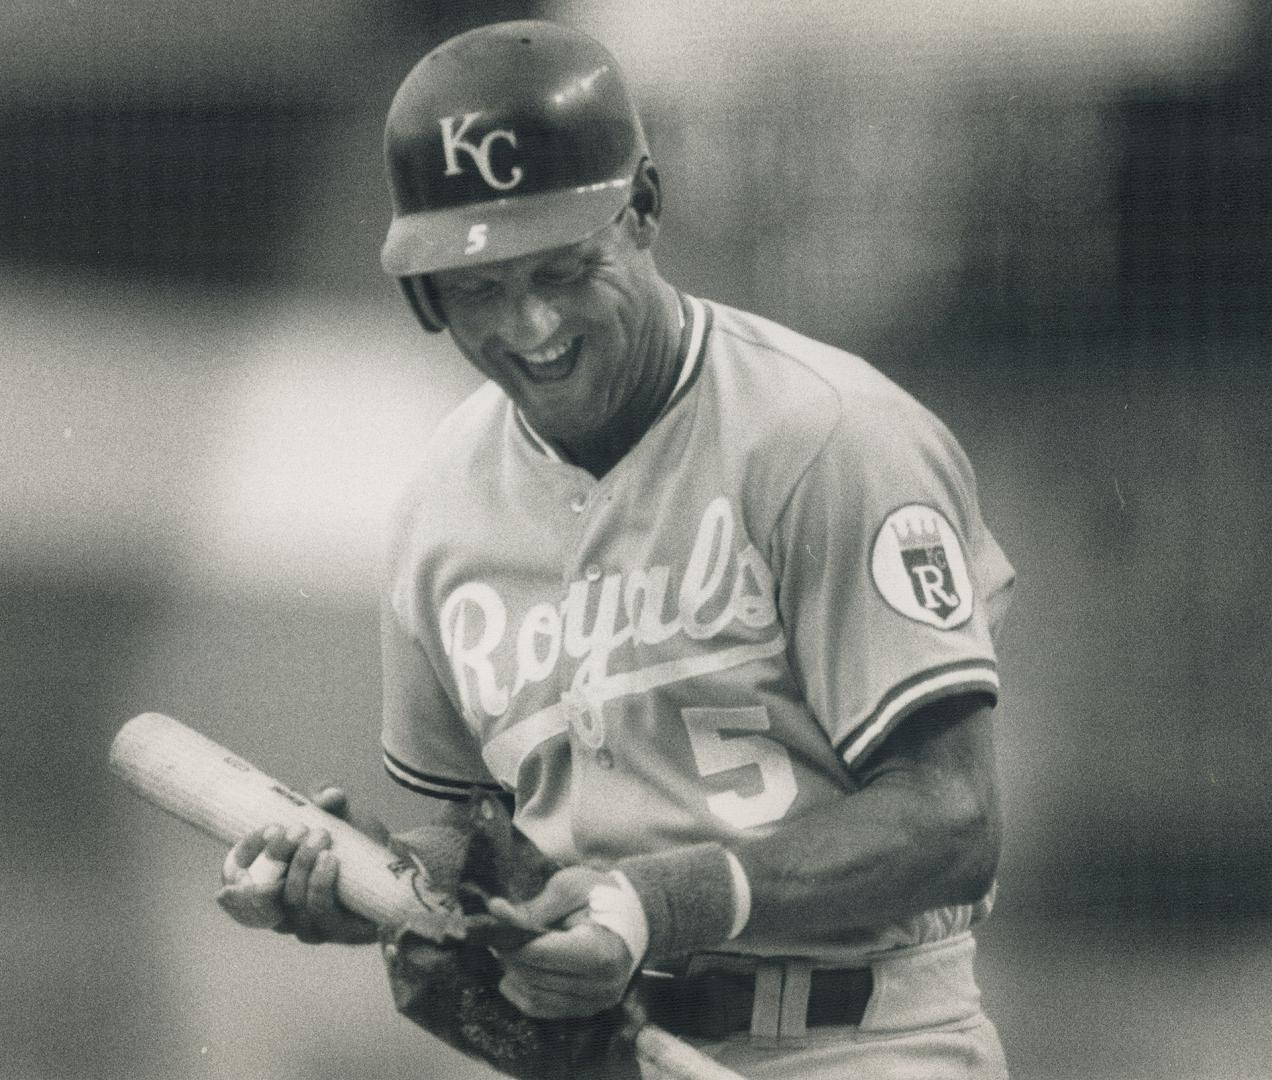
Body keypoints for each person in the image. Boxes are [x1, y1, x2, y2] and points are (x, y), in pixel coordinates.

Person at [217, 19, 1015, 1079]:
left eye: (563, 267)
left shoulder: (827, 435)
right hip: (601, 1054)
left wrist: (657, 903)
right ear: (424, 293)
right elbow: (480, 838)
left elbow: (953, 818)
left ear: (642, 209)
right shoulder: (438, 509)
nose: (531, 325)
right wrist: (373, 880)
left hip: (859, 1041)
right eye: (480, 289)